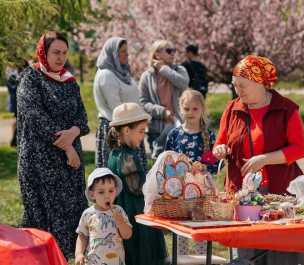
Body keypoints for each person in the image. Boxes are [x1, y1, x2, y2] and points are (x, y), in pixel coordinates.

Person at [212, 55, 304, 265]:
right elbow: (221, 141)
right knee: (245, 251)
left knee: (282, 250)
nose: (239, 91)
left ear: (260, 82)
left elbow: (299, 149)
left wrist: (265, 159)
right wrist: (220, 149)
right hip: (242, 194)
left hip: (280, 193)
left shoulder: (286, 109)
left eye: (243, 85)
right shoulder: (232, 109)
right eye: (235, 86)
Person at [17, 31, 89, 259]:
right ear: (43, 52)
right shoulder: (31, 78)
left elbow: (82, 117)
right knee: (42, 226)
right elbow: (35, 116)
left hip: (69, 167)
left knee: (71, 224)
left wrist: (75, 131)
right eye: (55, 52)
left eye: (64, 53)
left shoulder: (69, 81)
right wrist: (68, 146)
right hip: (40, 163)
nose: (60, 58)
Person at [107, 103, 168, 265]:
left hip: (127, 214)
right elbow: (138, 188)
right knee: (142, 255)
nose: (143, 137)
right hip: (135, 216)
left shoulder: (116, 153)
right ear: (126, 130)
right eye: (140, 131)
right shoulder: (127, 157)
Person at [165, 89, 218, 255]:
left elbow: (215, 163)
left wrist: (204, 166)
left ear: (202, 109)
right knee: (182, 221)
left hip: (202, 186)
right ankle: (182, 257)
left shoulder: (208, 135)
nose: (190, 112)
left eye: (195, 109)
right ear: (180, 109)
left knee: (201, 221)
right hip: (180, 187)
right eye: (186, 109)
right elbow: (167, 161)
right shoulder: (175, 134)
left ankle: (202, 257)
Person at [93, 37, 144, 169]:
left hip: (131, 127)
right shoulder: (106, 75)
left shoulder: (123, 73)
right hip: (117, 130)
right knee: (116, 176)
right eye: (122, 51)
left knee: (134, 178)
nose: (127, 54)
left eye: (127, 51)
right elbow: (116, 107)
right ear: (113, 54)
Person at [139, 40, 189, 159]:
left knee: (180, 166)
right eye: (168, 51)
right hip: (157, 129)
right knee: (158, 169)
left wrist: (164, 69)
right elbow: (143, 102)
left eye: (174, 50)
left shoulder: (179, 70)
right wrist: (162, 112)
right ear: (157, 54)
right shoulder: (147, 76)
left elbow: (183, 83)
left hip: (179, 126)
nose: (173, 54)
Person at [75, 168, 132, 265]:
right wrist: (79, 253)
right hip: (93, 261)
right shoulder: (88, 214)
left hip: (115, 261)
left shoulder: (119, 211)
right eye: (101, 192)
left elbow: (127, 235)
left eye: (111, 191)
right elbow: (82, 236)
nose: (107, 196)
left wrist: (121, 223)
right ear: (92, 195)